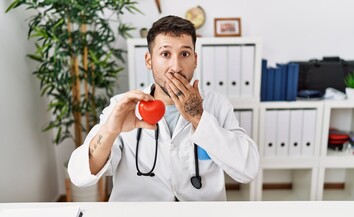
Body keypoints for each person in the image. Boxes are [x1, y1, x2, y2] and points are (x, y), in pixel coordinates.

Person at [68, 15, 259, 201]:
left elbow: (248, 168)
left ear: (195, 59)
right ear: (149, 60)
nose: (175, 67)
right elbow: (80, 174)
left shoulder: (217, 105)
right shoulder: (123, 106)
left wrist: (198, 118)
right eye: (165, 54)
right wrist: (110, 130)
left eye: (184, 54)